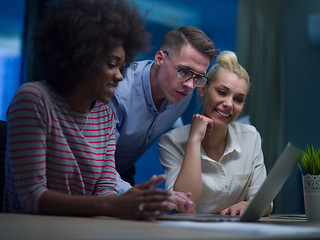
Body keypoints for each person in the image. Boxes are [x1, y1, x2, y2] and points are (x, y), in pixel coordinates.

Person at [3, 0, 191, 220]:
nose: (120, 76)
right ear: (82, 58)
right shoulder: (34, 99)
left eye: (122, 66)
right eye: (112, 64)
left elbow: (105, 188)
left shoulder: (104, 115)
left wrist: (133, 203)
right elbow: (32, 197)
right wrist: (111, 205)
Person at [159, 51, 272, 216]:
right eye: (222, 92)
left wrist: (249, 205)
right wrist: (194, 140)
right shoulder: (171, 142)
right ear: (203, 90)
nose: (229, 104)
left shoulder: (250, 136)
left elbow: (266, 203)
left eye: (238, 99)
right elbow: (186, 207)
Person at [108, 26, 218, 188]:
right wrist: (139, 198)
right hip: (96, 171)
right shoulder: (119, 93)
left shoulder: (182, 91)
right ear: (160, 59)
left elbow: (172, 119)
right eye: (184, 71)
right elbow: (100, 166)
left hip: (124, 172)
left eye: (198, 77)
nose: (189, 85)